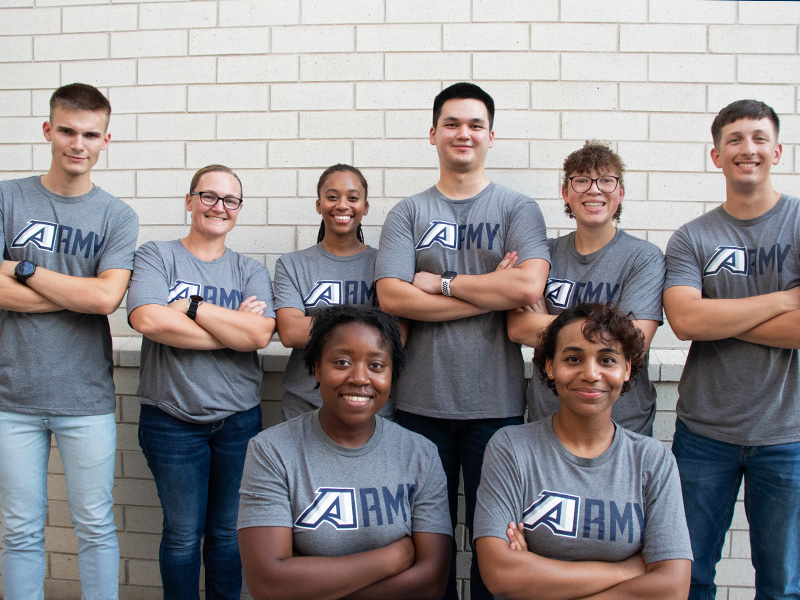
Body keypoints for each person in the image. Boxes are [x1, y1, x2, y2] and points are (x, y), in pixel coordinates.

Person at [375, 82, 550, 599]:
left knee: (494, 541)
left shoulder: (518, 209)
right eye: (452, 123)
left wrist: (440, 283)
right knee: (428, 543)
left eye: (475, 125)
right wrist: (488, 293)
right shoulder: (409, 212)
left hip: (494, 406)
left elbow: (525, 286)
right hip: (419, 405)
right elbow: (391, 297)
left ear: (491, 136)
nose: (463, 133)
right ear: (433, 134)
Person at [0, 83, 138, 600]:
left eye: (90, 134)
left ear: (106, 140)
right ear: (47, 130)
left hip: (85, 399)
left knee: (96, 527)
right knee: (19, 531)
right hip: (10, 397)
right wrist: (78, 291)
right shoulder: (7, 197)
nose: (77, 143)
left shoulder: (116, 216)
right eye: (67, 131)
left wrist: (24, 269)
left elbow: (107, 300)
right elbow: (95, 294)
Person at [663, 99, 800, 598]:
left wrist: (718, 316)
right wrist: (784, 300)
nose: (749, 149)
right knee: (688, 577)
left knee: (783, 583)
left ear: (778, 151)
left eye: (759, 138)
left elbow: (702, 317)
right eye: (736, 139)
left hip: (788, 435)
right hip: (704, 434)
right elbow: (684, 320)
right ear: (716, 155)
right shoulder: (692, 238)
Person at [127, 164, 275, 600]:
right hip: (170, 421)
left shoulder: (250, 270)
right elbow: (148, 318)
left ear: (240, 210)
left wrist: (190, 307)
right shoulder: (157, 255)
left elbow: (261, 334)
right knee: (182, 535)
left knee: (228, 534)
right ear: (190, 201)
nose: (219, 207)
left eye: (230, 200)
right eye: (209, 196)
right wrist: (233, 331)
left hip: (237, 423)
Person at [474, 303, 692, 600]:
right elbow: (501, 574)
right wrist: (630, 570)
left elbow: (673, 587)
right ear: (550, 366)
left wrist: (537, 572)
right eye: (573, 358)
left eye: (607, 359)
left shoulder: (652, 460)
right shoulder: (511, 449)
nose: (591, 374)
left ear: (627, 369)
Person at [238, 305, 452, 600]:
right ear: (316, 368)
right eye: (341, 362)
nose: (360, 378)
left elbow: (431, 583)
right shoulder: (272, 451)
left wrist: (313, 584)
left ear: (392, 374)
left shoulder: (420, 454)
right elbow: (269, 584)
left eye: (376, 365)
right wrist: (392, 559)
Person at [508, 141, 664, 435]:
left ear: (620, 192)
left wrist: (545, 323)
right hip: (547, 420)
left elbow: (634, 343)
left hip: (622, 425)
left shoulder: (644, 257)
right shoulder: (546, 254)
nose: (594, 189)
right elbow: (517, 327)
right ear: (566, 193)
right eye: (581, 180)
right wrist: (611, 329)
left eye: (606, 180)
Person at [274, 164, 391, 421]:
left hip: (370, 406)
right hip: (304, 405)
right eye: (332, 196)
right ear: (318, 205)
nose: (342, 205)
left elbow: (397, 334)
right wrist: (369, 325)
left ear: (365, 207)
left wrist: (317, 326)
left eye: (352, 197)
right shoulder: (292, 264)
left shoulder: (385, 264)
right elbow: (290, 331)